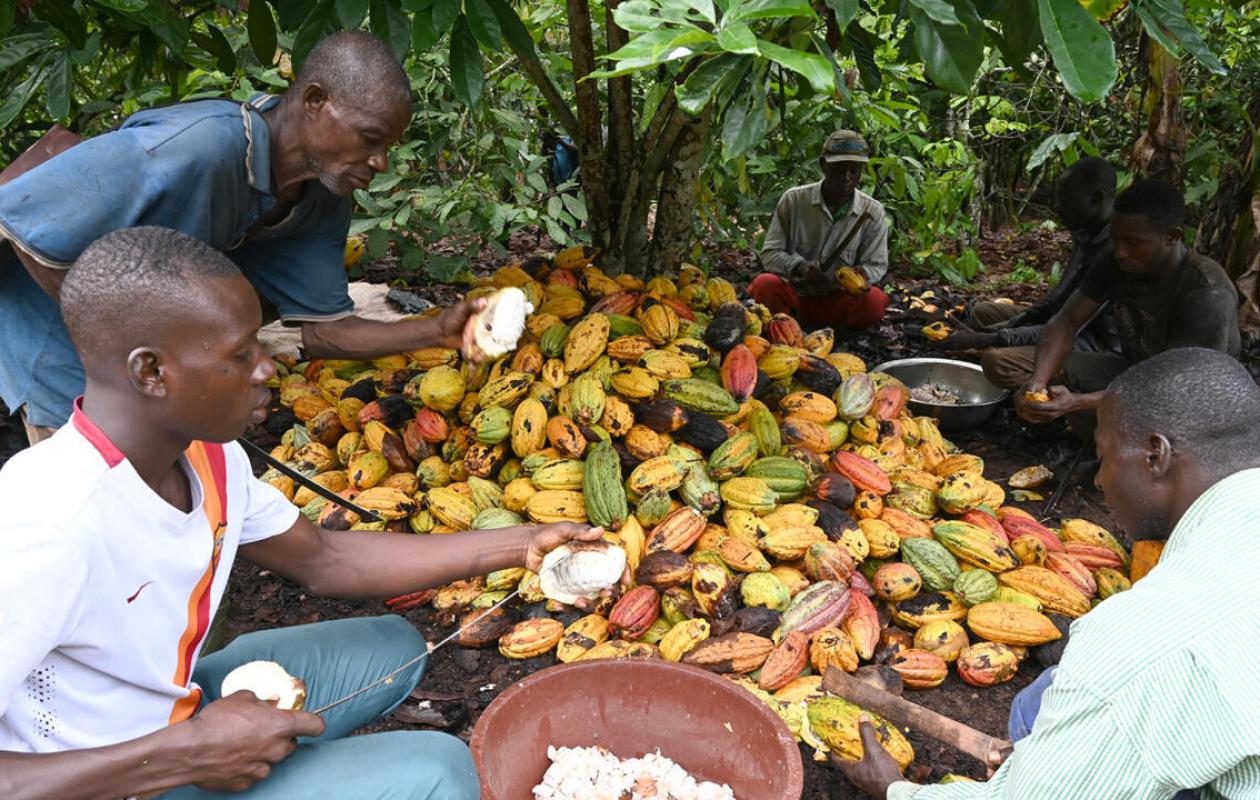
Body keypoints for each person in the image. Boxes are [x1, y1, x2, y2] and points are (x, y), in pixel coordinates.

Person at [0, 227, 606, 800]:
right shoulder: (46, 525)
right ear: (151, 372)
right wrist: (188, 754)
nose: (268, 368)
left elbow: (326, 557)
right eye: (240, 355)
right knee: (437, 771)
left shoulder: (209, 454)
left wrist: (526, 543)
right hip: (112, 777)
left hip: (169, 713)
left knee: (393, 646)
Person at [0, 31, 481, 445]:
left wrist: (437, 330)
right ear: (314, 101)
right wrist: (125, 347)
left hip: (154, 365)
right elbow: (24, 223)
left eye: (387, 147)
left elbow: (325, 329)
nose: (381, 163)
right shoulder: (196, 147)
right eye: (370, 138)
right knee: (94, 503)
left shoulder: (321, 195)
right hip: (59, 340)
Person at [838, 347, 1260, 799]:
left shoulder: (1147, 635)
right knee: (1040, 700)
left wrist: (893, 789)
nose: (1099, 481)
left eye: (1104, 456)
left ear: (1155, 455)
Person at [1014, 178, 1239, 425]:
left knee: (1147, 420)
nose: (1120, 251)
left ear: (1171, 237)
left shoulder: (1206, 290)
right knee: (1029, 368)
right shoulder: (1116, 262)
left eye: (1134, 243)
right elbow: (1067, 321)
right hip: (1133, 371)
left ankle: (1104, 438)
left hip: (1191, 399)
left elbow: (1177, 385)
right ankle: (1088, 430)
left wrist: (1080, 401)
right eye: (1115, 239)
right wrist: (1038, 381)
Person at [940, 157, 1122, 390]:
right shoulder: (1086, 234)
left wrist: (989, 339)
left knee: (997, 362)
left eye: (1066, 200)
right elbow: (1056, 300)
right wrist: (1004, 326)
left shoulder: (1115, 250)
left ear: (1096, 199)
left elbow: (1069, 328)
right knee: (985, 312)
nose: (1056, 207)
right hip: (1062, 323)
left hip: (1091, 345)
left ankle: (1057, 392)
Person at [750, 129, 891, 331]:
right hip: (797, 296)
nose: (847, 178)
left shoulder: (872, 211)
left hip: (838, 300)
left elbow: (877, 265)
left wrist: (860, 275)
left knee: (874, 301)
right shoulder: (795, 201)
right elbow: (770, 254)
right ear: (824, 165)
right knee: (765, 284)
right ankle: (786, 328)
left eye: (854, 170)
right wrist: (799, 267)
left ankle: (840, 333)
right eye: (839, 170)